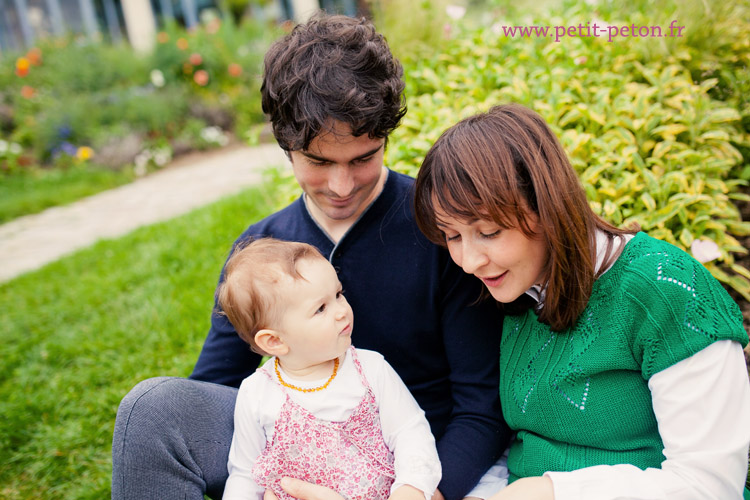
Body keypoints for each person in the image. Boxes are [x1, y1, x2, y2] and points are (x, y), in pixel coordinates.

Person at [111, 13, 510, 500]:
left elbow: (480, 407)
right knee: (154, 409)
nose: (341, 186)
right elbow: (216, 392)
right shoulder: (260, 248)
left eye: (363, 158)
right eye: (319, 162)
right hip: (289, 463)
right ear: (285, 145)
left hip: (412, 466)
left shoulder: (442, 231)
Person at [412, 103, 750, 500]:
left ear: (545, 205)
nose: (469, 262)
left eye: (488, 231)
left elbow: (711, 485)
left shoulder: (663, 288)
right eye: (452, 236)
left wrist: (552, 491)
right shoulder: (514, 289)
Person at [216, 238, 441, 500]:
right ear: (275, 341)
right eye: (320, 308)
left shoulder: (369, 369)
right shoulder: (257, 393)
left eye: (338, 294)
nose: (341, 311)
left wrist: (410, 489)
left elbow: (410, 433)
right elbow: (245, 473)